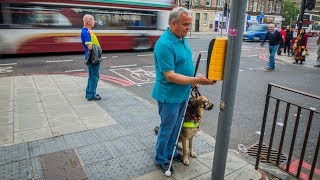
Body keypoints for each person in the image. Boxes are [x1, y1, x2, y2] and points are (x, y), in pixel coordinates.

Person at [152, 7, 215, 174]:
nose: (189, 28)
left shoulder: (180, 38)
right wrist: (196, 79)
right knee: (167, 128)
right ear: (173, 23)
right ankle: (161, 158)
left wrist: (191, 83)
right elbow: (170, 76)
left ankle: (171, 152)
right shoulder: (164, 44)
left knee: (177, 128)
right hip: (169, 96)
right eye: (186, 24)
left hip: (183, 93)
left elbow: (182, 66)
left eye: (189, 24)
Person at [81, 14, 101, 101]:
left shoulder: (87, 31)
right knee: (94, 76)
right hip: (92, 57)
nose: (94, 22)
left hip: (91, 56)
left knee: (92, 76)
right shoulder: (86, 32)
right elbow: (90, 46)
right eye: (93, 20)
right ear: (88, 22)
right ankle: (91, 95)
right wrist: (98, 48)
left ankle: (89, 92)